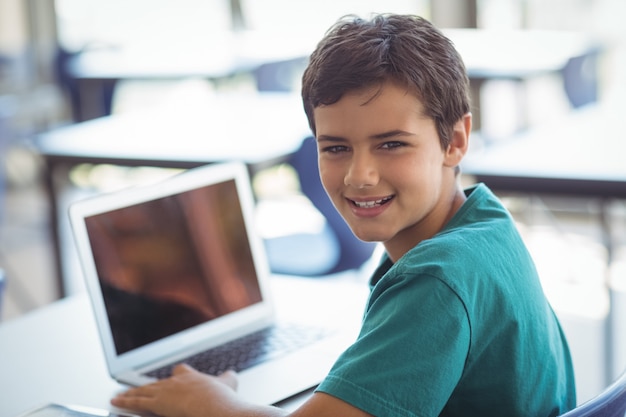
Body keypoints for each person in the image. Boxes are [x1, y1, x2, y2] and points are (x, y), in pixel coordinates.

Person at [111, 13, 577, 417]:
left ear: (454, 141)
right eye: (335, 148)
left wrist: (210, 404)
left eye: (391, 144)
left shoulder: (437, 280)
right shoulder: (483, 221)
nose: (360, 176)